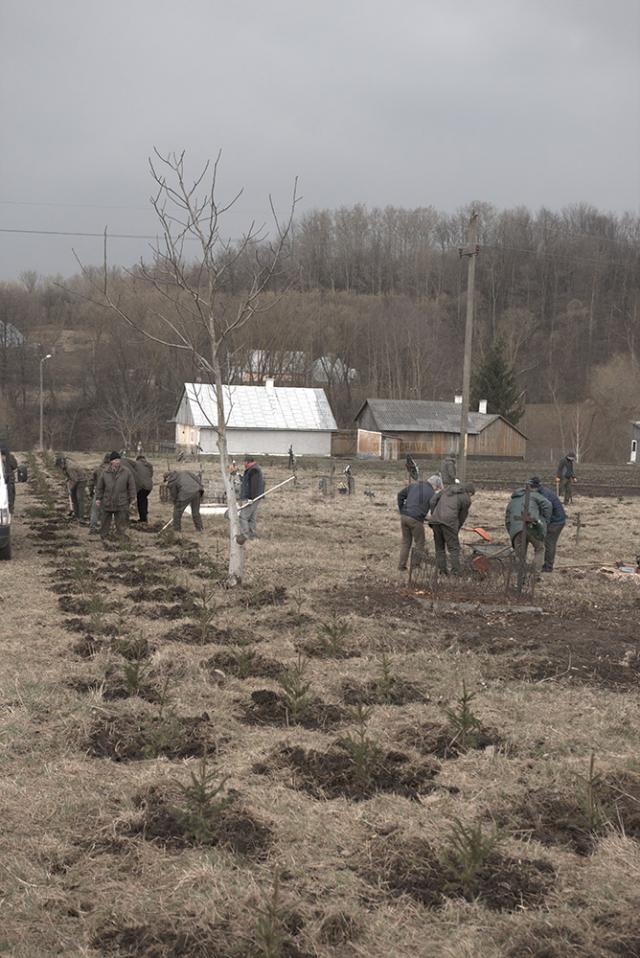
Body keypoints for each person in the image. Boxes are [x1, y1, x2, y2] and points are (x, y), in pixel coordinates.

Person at [428, 481, 475, 575]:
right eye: (471, 495)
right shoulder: (466, 498)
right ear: (469, 492)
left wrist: (434, 514)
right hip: (449, 523)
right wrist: (457, 527)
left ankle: (442, 571)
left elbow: (432, 501)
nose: (470, 497)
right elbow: (462, 516)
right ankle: (456, 572)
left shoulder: (446, 490)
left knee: (439, 547)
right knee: (454, 548)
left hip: (435, 522)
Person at [397, 473, 442, 571]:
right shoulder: (431, 493)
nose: (436, 489)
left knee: (406, 542)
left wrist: (402, 510)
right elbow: (434, 509)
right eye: (437, 487)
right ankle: (415, 566)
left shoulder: (414, 485)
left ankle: (401, 566)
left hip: (404, 517)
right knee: (420, 542)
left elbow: (400, 495)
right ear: (434, 485)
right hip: (415, 520)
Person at [505, 483, 553, 574]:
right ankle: (535, 575)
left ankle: (520, 575)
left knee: (520, 554)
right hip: (533, 527)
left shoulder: (511, 502)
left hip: (517, 530)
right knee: (540, 548)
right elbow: (548, 504)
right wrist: (545, 520)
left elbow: (507, 521)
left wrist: (513, 533)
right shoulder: (534, 495)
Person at [95, 452, 136, 540]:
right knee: (105, 521)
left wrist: (133, 498)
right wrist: (98, 498)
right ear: (111, 461)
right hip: (107, 501)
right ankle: (104, 536)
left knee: (121, 521)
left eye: (118, 460)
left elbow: (131, 486)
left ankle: (120, 536)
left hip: (121, 501)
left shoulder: (126, 471)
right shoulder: (105, 472)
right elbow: (100, 487)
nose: (118, 462)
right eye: (115, 460)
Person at [529, 476, 566, 572]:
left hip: (556, 521)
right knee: (546, 542)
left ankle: (548, 567)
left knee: (549, 542)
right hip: (554, 519)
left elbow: (546, 509)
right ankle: (544, 564)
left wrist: (542, 522)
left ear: (534, 486)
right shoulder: (540, 492)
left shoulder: (544, 495)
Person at [237, 455, 264, 544]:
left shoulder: (254, 470)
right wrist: (238, 475)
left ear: (247, 462)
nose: (243, 464)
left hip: (253, 498)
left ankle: (245, 535)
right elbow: (247, 481)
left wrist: (250, 498)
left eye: (244, 462)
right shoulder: (251, 469)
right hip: (255, 497)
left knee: (243, 516)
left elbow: (254, 486)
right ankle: (252, 535)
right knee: (252, 517)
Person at [59, 457, 88, 522]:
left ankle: (81, 517)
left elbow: (75, 480)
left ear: (62, 463)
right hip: (75, 479)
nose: (60, 468)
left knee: (79, 498)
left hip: (81, 481)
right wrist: (67, 478)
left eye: (60, 466)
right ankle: (76, 515)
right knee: (73, 498)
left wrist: (70, 489)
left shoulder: (70, 467)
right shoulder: (65, 465)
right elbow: (69, 476)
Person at [88, 453, 110, 535]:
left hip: (98, 493)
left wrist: (91, 492)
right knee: (107, 512)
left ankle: (92, 528)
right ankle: (105, 529)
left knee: (94, 511)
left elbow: (91, 481)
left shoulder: (97, 469)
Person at [1, 447, 17, 513]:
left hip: (9, 480)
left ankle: (10, 509)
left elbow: (14, 466)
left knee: (10, 494)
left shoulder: (10, 457)